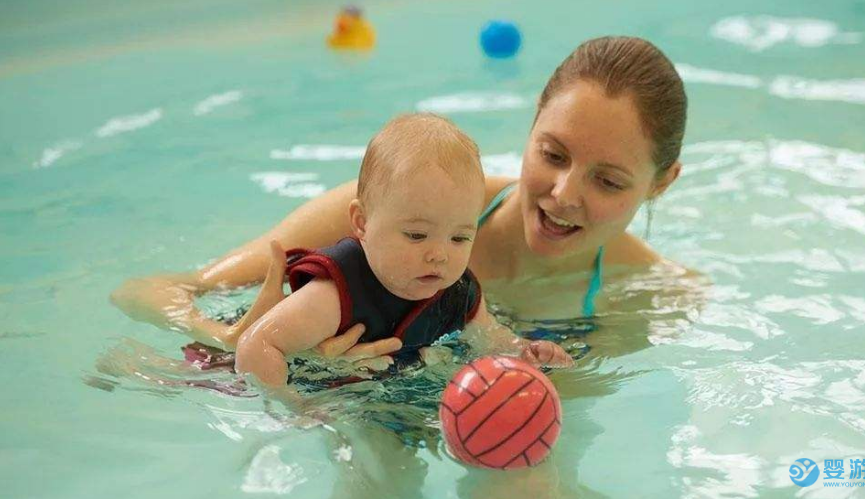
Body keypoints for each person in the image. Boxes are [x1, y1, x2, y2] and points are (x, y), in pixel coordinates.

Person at [111, 35, 690, 367]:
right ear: (531, 122)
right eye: (553, 154)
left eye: (608, 181)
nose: (563, 195)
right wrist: (231, 338)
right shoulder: (385, 214)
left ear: (661, 182)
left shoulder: (643, 300)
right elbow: (147, 291)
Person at [231, 113, 572, 385]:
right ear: (362, 223)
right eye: (416, 235)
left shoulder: (457, 292)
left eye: (459, 238)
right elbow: (256, 346)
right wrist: (292, 409)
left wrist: (527, 352)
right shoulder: (334, 296)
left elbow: (490, 337)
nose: (439, 254)